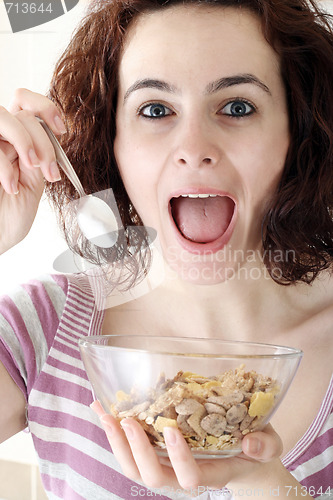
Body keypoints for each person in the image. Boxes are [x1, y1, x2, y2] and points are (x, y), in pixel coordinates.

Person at [0, 0, 332, 498]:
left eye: (238, 106)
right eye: (155, 109)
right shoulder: (41, 327)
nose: (194, 145)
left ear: (298, 132)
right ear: (110, 142)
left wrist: (265, 485)